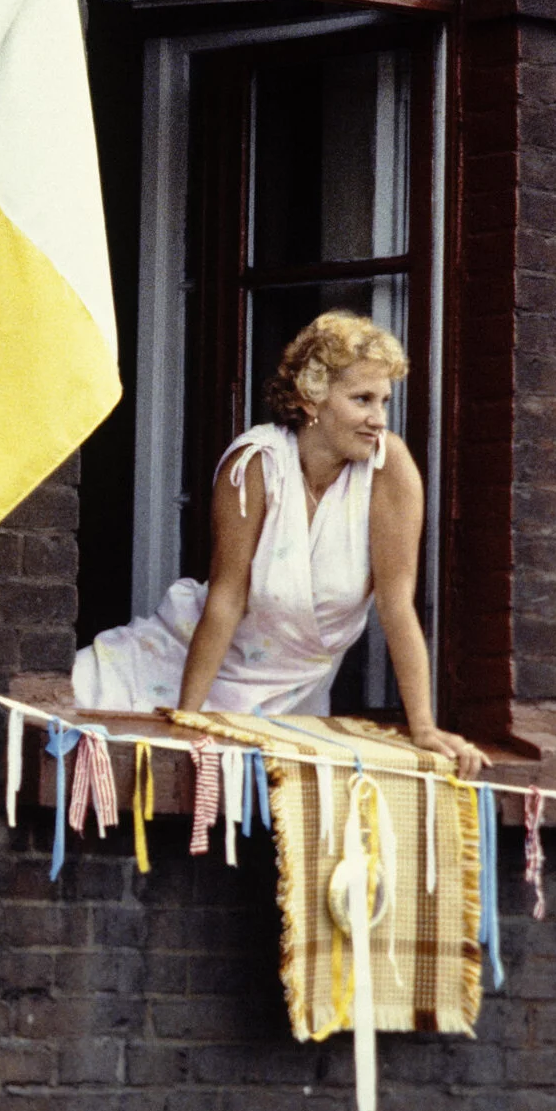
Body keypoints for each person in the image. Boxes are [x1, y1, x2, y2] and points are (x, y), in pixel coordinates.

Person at [73, 310, 487, 778]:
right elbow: (227, 597)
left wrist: (424, 728)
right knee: (73, 715)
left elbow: (396, 606)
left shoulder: (389, 467)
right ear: (312, 399)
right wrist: (187, 717)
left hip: (292, 698)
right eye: (362, 399)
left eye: (384, 401)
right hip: (184, 663)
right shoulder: (258, 463)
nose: (378, 419)